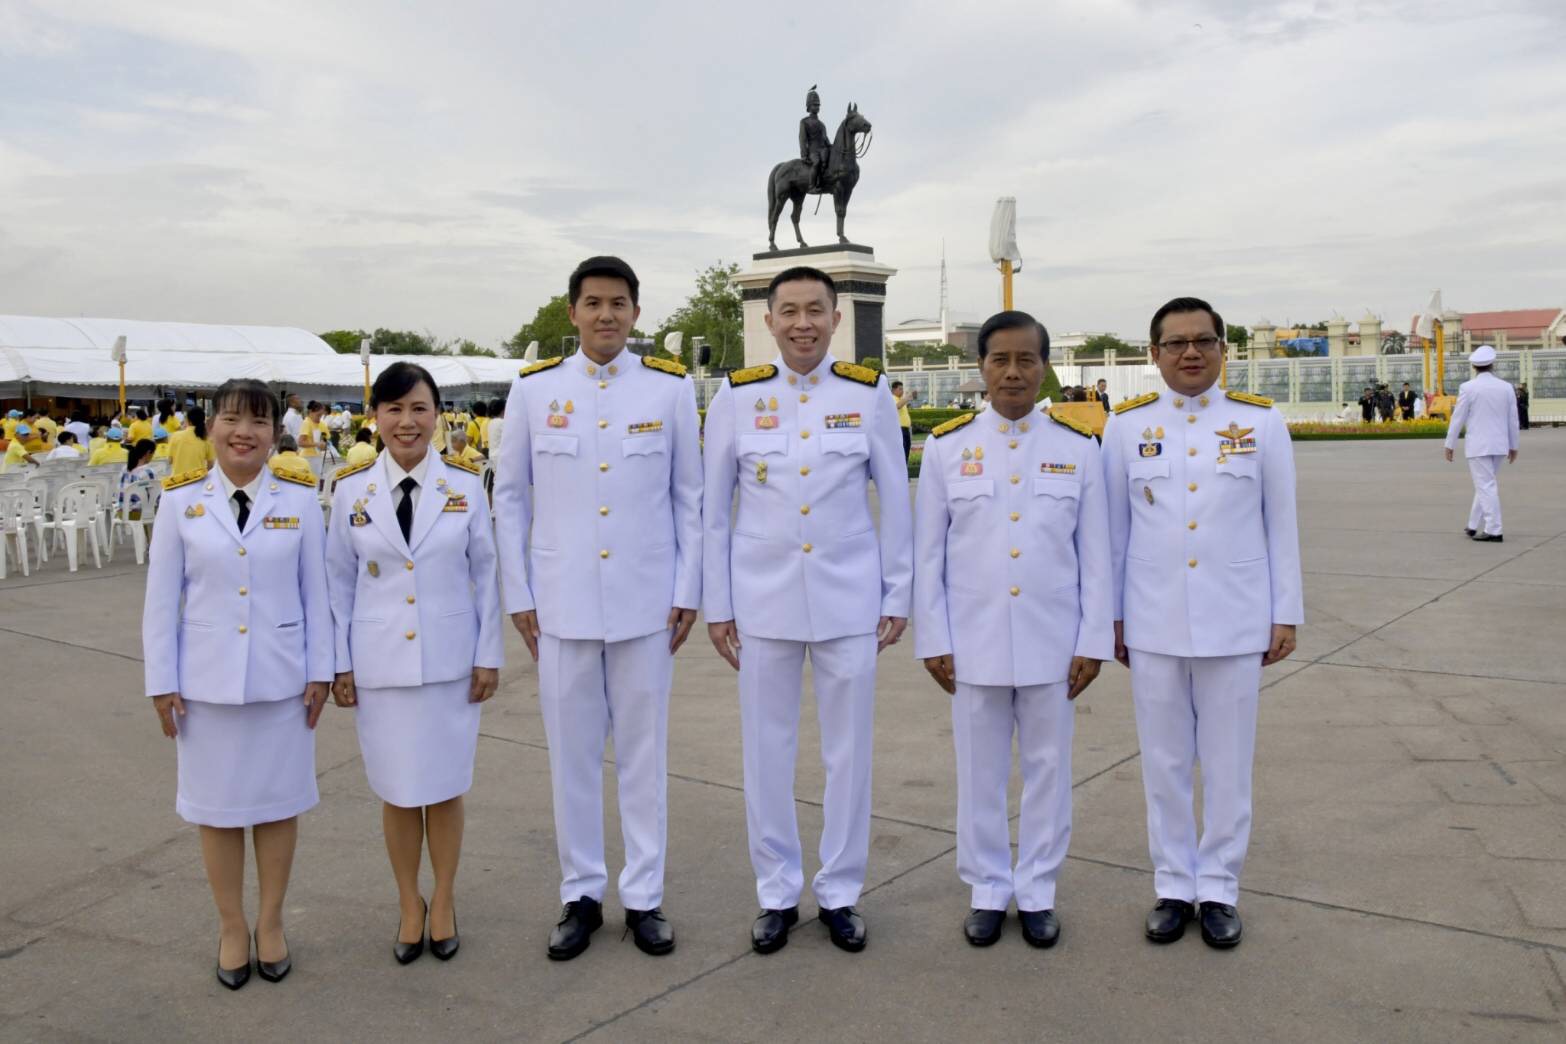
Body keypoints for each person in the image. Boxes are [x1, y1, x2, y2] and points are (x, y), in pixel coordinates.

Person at [493, 256, 702, 961]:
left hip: (647, 606)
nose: (606, 314)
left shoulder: (669, 391)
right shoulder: (534, 392)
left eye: (618, 303)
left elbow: (689, 499)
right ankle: (581, 893)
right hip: (561, 607)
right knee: (572, 760)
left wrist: (687, 590)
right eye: (593, 303)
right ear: (572, 312)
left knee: (644, 758)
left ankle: (643, 897)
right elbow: (511, 498)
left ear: (637, 313)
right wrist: (519, 594)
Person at [702, 265, 913, 955]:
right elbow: (713, 511)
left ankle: (842, 891)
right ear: (768, 321)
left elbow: (895, 498)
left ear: (835, 317)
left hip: (849, 597)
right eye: (788, 311)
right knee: (767, 751)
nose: (802, 323)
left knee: (848, 754)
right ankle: (775, 892)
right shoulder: (736, 398)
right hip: (761, 600)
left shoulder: (869, 391)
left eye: (815, 310)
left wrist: (897, 590)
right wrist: (718, 603)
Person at [1101, 296, 1303, 949]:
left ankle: (1217, 887)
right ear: (1154, 353)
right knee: (1162, 761)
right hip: (1153, 619)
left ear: (1223, 349)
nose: (1191, 352)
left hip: (1237, 617)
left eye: (1204, 340)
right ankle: (1172, 885)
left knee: (1226, 762)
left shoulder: (1262, 423)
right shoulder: (1125, 428)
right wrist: (1114, 616)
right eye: (1176, 342)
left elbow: (1282, 526)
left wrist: (1285, 612)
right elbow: (1113, 532)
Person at [913, 311, 1112, 949]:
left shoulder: (1078, 449)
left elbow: (1096, 556)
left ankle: (1038, 891)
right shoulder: (947, 447)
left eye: (1027, 360)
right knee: (980, 770)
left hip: (1055, 641)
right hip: (972, 639)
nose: (1013, 372)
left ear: (1045, 366)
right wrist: (934, 638)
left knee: (1049, 768)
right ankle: (988, 889)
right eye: (1000, 359)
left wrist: (1092, 641)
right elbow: (928, 557)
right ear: (981, 368)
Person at [142, 378, 332, 989]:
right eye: (230, 419)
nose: (243, 432)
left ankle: (271, 923)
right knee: (218, 813)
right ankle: (231, 927)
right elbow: (160, 602)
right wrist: (161, 681)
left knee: (277, 808)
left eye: (256, 421)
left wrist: (320, 672)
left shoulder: (300, 500)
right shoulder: (180, 502)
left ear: (276, 432)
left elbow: (317, 595)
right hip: (204, 687)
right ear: (211, 427)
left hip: (283, 684)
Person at [327, 361, 502, 965]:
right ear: (375, 417)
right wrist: (338, 664)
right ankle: (409, 903)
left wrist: (489, 655)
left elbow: (487, 574)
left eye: (419, 408)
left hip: (452, 662)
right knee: (399, 793)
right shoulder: (351, 489)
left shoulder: (465, 483)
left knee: (446, 788)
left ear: (437, 416)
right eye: (394, 409)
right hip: (379, 663)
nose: (407, 421)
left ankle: (445, 899)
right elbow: (336, 581)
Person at [1444, 345, 1520, 543]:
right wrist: (1514, 445)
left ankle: (1494, 529)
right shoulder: (1506, 387)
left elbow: (1457, 418)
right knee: (1485, 484)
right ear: (1492, 364)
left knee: (1485, 485)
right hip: (1500, 445)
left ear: (1474, 367)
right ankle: (1472, 524)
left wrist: (1449, 443)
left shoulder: (1468, 388)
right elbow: (1513, 419)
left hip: (1478, 446)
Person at [799, 85, 829, 193]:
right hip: (813, 151)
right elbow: (802, 139)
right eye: (814, 105)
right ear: (809, 107)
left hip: (823, 149)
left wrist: (831, 147)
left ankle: (824, 182)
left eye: (818, 105)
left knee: (829, 161)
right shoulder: (804, 122)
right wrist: (804, 154)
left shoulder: (822, 124)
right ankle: (811, 186)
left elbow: (825, 138)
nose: (817, 107)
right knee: (816, 163)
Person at [168, 407, 216, 475]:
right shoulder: (206, 438)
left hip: (178, 481)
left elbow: (170, 461)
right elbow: (210, 465)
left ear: (188, 420)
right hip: (198, 480)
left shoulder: (175, 436)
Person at [119, 439, 160, 516]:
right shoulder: (148, 472)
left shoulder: (124, 469)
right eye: (153, 453)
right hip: (139, 514)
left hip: (122, 512)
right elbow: (156, 497)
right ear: (148, 453)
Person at [890, 380, 915, 461]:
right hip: (899, 429)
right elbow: (897, 406)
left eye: (902, 389)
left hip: (905, 429)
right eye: (900, 389)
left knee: (906, 451)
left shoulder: (900, 399)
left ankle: (904, 470)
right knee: (902, 452)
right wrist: (907, 397)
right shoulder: (892, 398)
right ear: (893, 390)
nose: (902, 391)